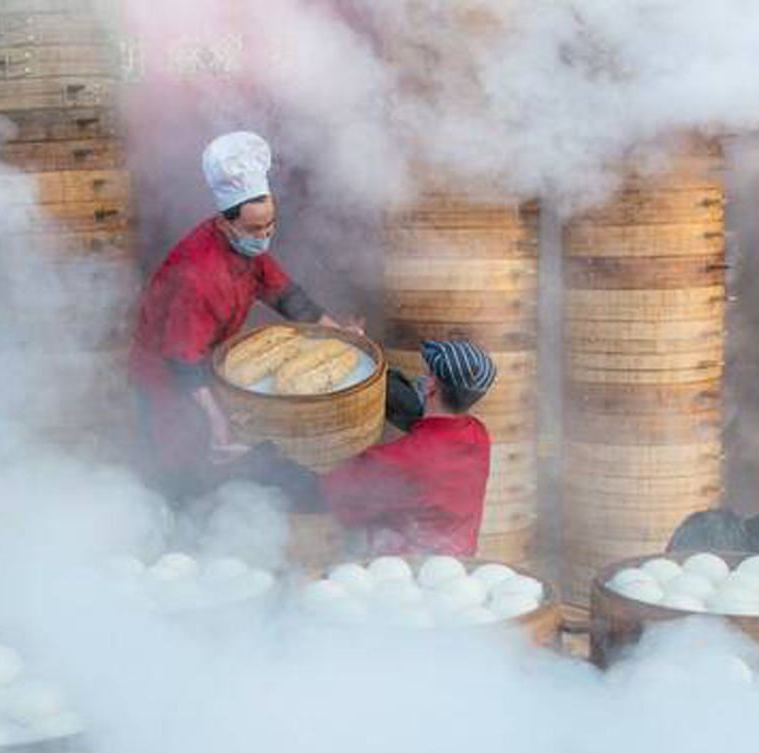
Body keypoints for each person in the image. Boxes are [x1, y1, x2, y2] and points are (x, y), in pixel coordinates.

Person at [128, 131, 347, 504]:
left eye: (270, 225)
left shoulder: (248, 247)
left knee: (220, 456)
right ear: (225, 223)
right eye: (255, 230)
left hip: (203, 363)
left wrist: (339, 334)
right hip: (166, 377)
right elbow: (183, 360)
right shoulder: (196, 275)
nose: (265, 236)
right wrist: (215, 419)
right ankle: (179, 529)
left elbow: (287, 296)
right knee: (183, 459)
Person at [319, 340, 497, 556]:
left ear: (430, 385)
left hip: (401, 575)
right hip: (457, 570)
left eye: (427, 373)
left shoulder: (400, 459)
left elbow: (324, 492)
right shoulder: (478, 435)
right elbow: (428, 422)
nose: (420, 379)